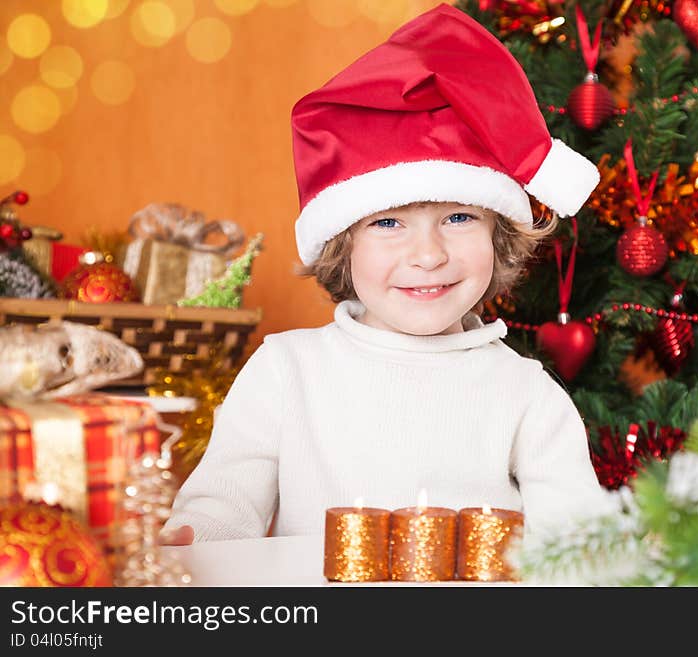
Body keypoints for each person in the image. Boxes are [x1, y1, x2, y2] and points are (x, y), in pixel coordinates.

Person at [161, 3, 605, 546]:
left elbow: (580, 545)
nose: (428, 255)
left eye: (459, 217)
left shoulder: (523, 392)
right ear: (341, 245)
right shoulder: (287, 371)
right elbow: (222, 509)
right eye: (389, 222)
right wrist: (192, 541)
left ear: (499, 234)